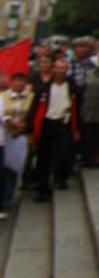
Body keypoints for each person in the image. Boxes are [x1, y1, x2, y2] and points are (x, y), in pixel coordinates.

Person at [29, 57, 80, 202]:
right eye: (58, 68)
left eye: (64, 68)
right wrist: (31, 131)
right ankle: (43, 189)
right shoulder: (44, 89)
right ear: (53, 69)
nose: (61, 71)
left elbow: (78, 109)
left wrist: (77, 129)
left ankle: (61, 177)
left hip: (63, 123)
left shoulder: (73, 88)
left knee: (65, 154)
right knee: (43, 158)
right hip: (46, 123)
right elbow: (34, 109)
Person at [1, 72, 33, 210]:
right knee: (3, 166)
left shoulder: (30, 97)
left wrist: (23, 128)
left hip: (20, 136)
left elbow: (32, 115)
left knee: (14, 166)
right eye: (17, 80)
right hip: (5, 134)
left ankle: (7, 196)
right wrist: (11, 123)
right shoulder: (3, 97)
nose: (20, 83)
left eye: (23, 81)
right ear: (12, 82)